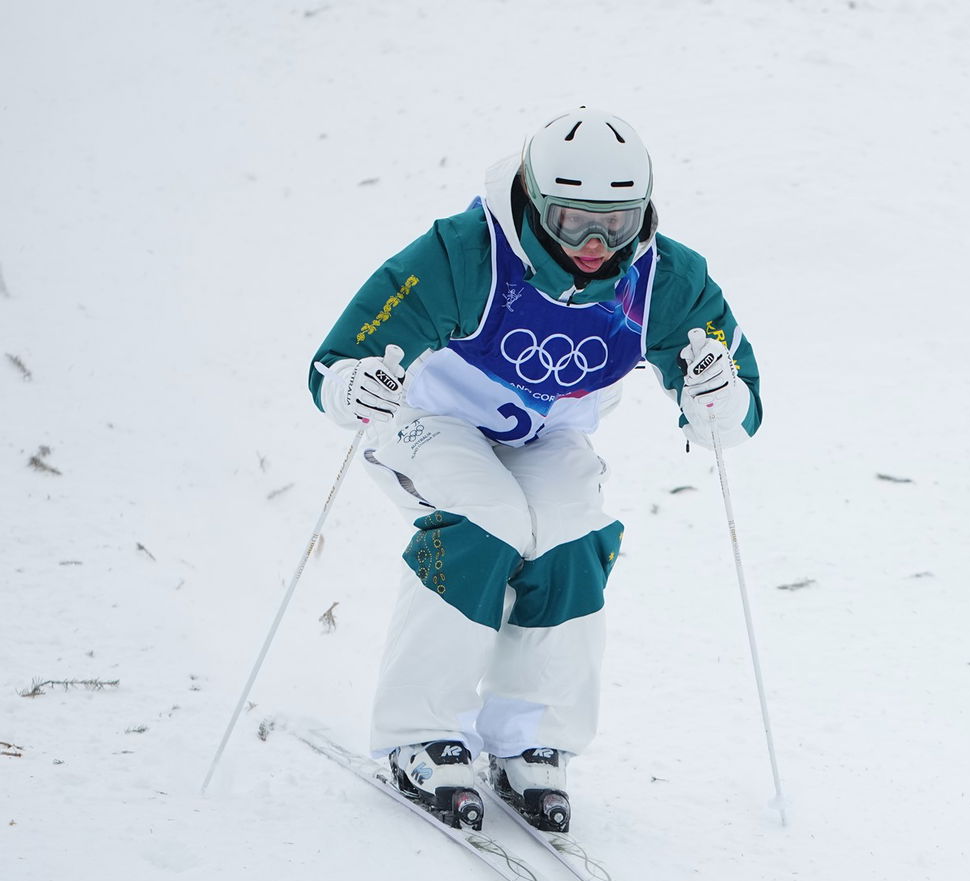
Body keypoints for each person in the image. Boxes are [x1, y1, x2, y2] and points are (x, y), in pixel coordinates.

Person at [308, 107, 762, 833]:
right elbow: (339, 360)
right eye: (572, 218)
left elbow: (733, 412)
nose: (592, 243)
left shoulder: (662, 279)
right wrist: (351, 386)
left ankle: (532, 739)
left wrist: (716, 395)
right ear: (532, 198)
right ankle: (417, 732)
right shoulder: (466, 254)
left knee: (573, 534)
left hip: (548, 432)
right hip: (431, 420)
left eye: (615, 223)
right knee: (486, 521)